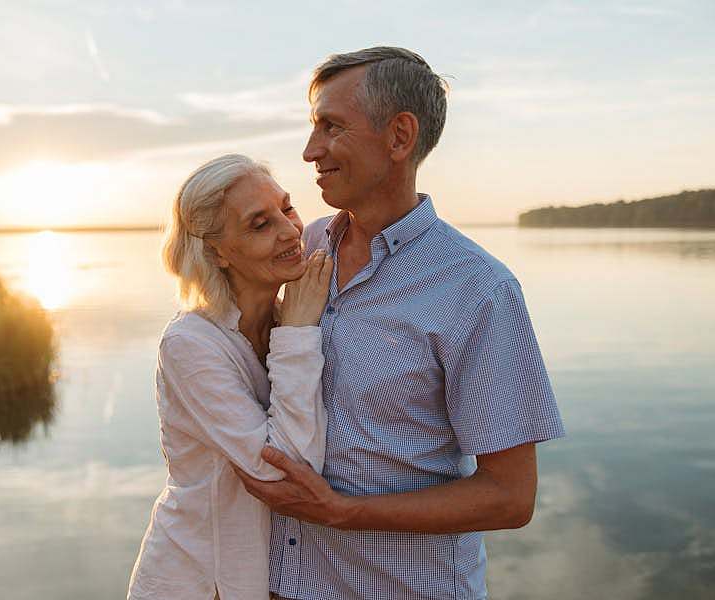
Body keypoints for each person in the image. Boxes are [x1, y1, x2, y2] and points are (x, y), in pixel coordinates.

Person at [234, 47, 566, 599]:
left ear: (399, 137)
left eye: (331, 127)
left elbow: (510, 498)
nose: (310, 150)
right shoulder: (304, 247)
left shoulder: (477, 288)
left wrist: (342, 512)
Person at [126, 154, 333, 600]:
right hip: (196, 580)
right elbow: (283, 471)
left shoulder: (284, 321)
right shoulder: (190, 343)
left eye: (287, 208)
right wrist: (299, 332)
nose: (290, 231)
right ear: (216, 251)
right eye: (260, 224)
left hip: (266, 581)